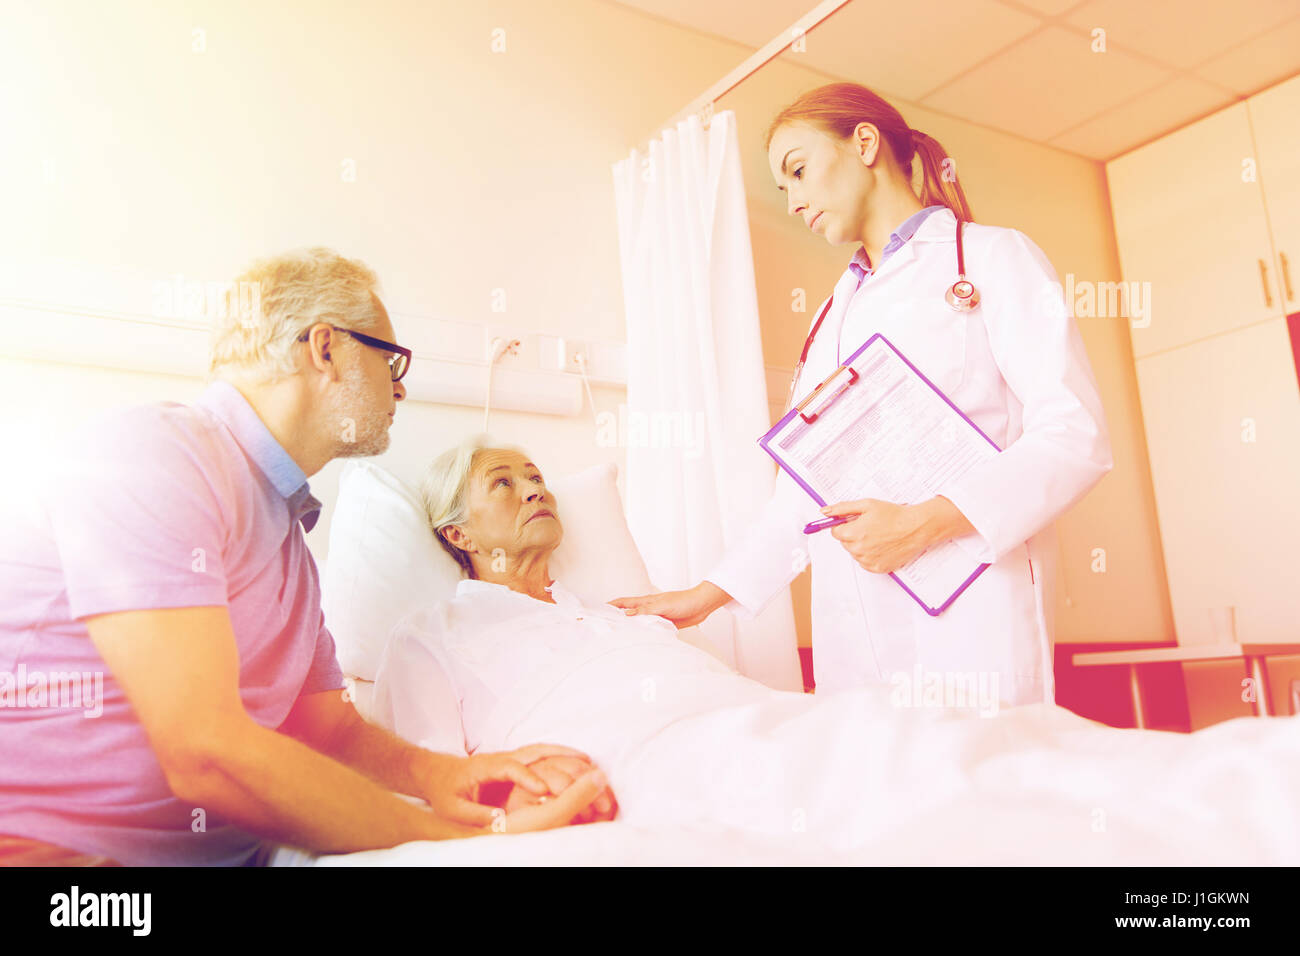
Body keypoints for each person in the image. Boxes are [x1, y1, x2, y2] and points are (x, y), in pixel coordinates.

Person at [373, 440, 1298, 864]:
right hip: (653, 761)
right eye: (507, 482)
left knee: (939, 737)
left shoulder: (616, 611)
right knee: (898, 778)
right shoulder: (439, 633)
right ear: (457, 531)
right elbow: (426, 780)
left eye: (540, 476)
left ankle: (1242, 800)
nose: (537, 490)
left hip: (765, 719)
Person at [0, 247, 613, 866]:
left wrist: (445, 779)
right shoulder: (159, 455)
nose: (400, 386)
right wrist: (468, 845)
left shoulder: (289, 541)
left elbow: (329, 728)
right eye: (390, 360)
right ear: (326, 349)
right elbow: (205, 752)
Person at [611, 82, 1114, 706]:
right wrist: (709, 595)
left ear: (866, 143)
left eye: (798, 171)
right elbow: (805, 490)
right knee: (872, 784)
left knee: (980, 784)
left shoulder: (990, 259)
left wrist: (922, 524)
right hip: (853, 613)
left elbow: (1075, 436)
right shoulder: (831, 316)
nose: (793, 201)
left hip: (972, 598)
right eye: (783, 188)